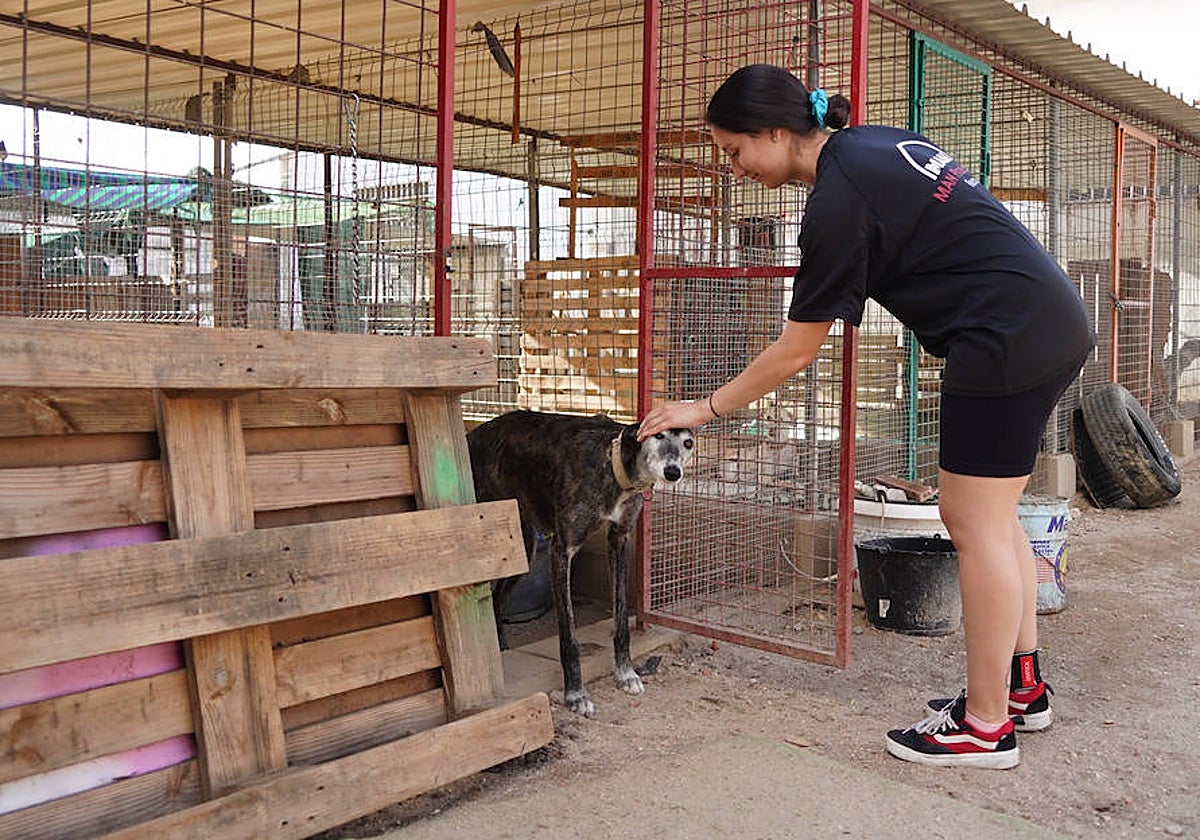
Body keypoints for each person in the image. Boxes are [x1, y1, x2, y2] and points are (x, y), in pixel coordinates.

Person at [637, 63, 1094, 769]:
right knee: (992, 521)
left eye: (734, 152)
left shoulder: (837, 199)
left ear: (777, 132)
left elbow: (796, 350)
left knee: (972, 526)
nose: (735, 168)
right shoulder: (873, 145)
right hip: (1042, 321)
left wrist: (704, 407)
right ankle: (1019, 689)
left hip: (1001, 337)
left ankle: (983, 727)